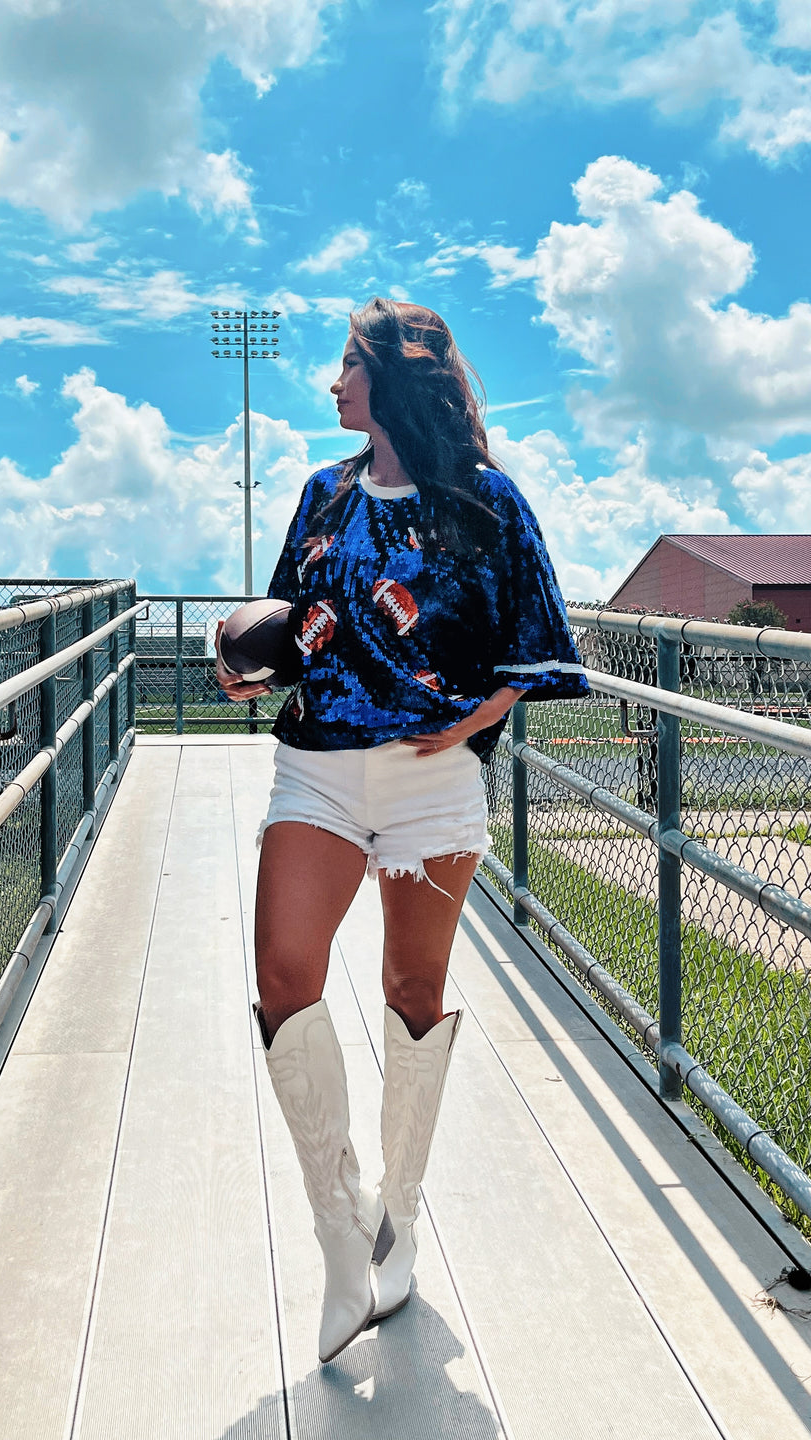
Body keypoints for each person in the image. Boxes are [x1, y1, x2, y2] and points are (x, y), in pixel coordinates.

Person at [217, 297, 588, 1364]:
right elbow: (293, 626)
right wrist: (249, 669)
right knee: (286, 975)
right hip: (318, 767)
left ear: (394, 376)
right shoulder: (320, 495)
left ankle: (401, 1220)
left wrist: (474, 721)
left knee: (411, 995)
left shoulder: (488, 502)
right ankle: (341, 1235)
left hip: (432, 789)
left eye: (345, 366)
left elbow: (537, 643)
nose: (331, 385)